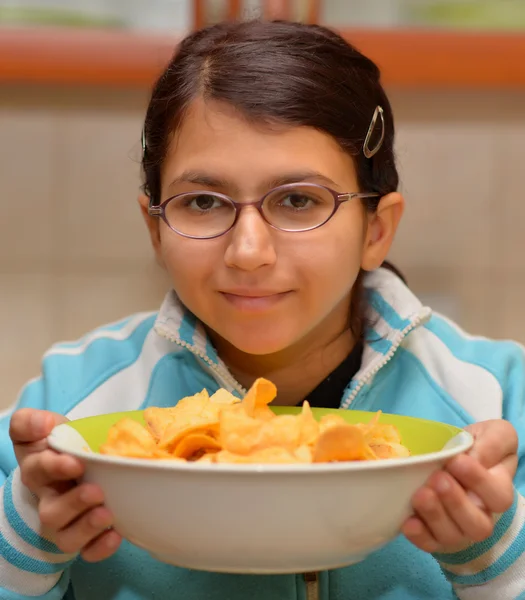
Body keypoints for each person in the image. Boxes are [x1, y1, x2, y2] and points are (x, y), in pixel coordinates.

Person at [0, 19, 523, 600]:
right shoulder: (66, 417)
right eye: (202, 202)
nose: (248, 252)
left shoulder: (497, 408)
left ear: (377, 229)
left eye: (299, 200)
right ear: (155, 229)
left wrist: (498, 564)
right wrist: (24, 547)